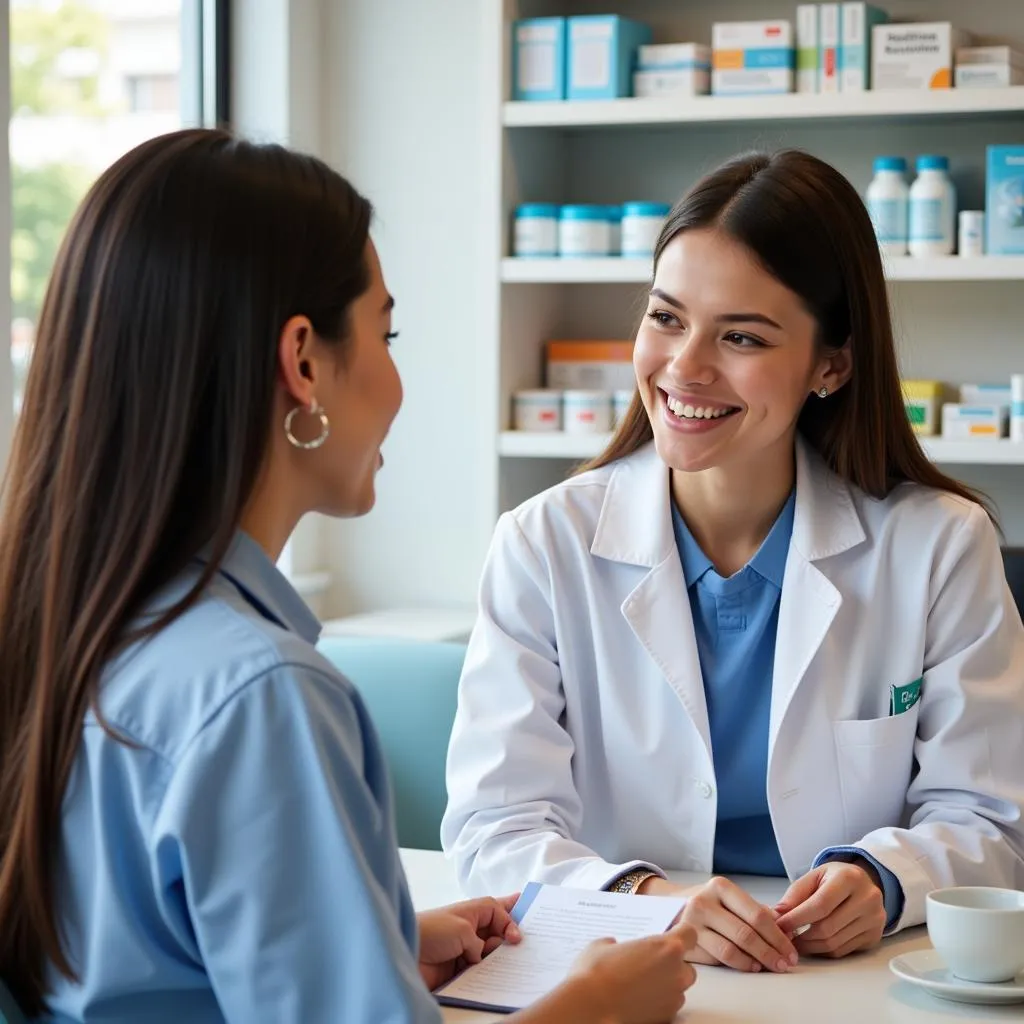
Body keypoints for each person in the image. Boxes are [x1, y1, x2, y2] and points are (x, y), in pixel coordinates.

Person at [0, 129, 697, 1023]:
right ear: (302, 362)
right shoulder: (264, 697)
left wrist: (373, 937)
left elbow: (135, 956)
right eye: (386, 330)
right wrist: (598, 1006)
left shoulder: (68, 626)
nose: (398, 378)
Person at [442, 149, 1024, 975]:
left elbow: (991, 815)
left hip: (847, 983)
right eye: (666, 318)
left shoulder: (938, 546)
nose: (684, 368)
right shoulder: (544, 544)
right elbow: (493, 826)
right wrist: (652, 902)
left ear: (833, 364)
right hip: (626, 968)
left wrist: (885, 879)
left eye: (742, 336)